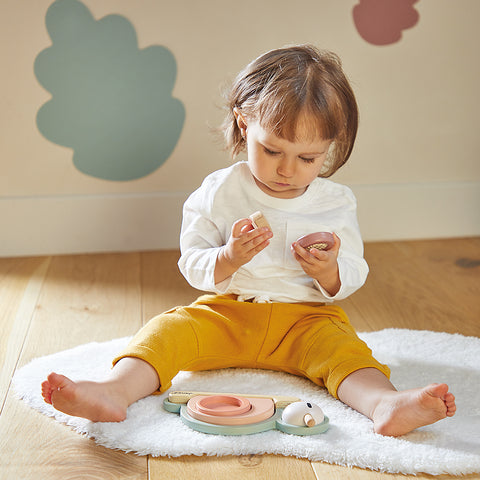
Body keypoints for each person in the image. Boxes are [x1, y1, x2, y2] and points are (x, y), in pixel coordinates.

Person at [41, 44, 455, 436]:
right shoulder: (220, 191)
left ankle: (385, 405)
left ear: (328, 148)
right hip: (228, 314)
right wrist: (227, 256)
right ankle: (113, 390)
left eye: (308, 158)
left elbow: (353, 274)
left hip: (307, 321)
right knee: (167, 330)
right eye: (273, 150)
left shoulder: (335, 202)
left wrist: (329, 271)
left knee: (346, 353)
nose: (288, 170)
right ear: (244, 123)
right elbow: (193, 262)